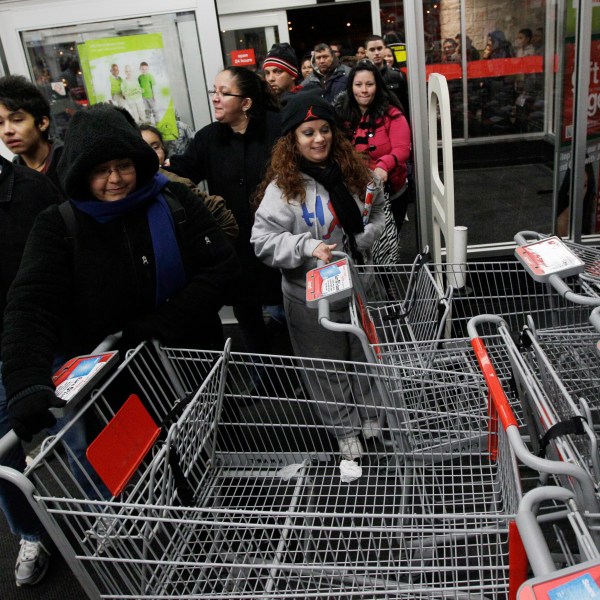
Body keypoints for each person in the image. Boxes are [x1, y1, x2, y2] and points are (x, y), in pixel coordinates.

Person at [1, 104, 240, 449]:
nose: (115, 180)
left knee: (213, 451)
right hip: (115, 387)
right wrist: (25, 380)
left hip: (193, 364)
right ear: (81, 173)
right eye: (100, 170)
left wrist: (162, 322)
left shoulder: (175, 201)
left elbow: (222, 268)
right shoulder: (59, 226)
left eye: (124, 166)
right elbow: (31, 304)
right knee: (144, 474)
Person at [251, 93, 385, 461]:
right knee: (326, 367)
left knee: (364, 356)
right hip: (309, 297)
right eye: (307, 132)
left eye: (324, 130)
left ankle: (372, 416)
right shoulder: (283, 190)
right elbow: (262, 241)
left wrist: (364, 238)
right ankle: (345, 429)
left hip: (358, 287)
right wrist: (305, 247)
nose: (318, 139)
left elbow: (377, 214)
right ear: (292, 140)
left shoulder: (356, 174)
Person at [168, 66, 282, 355]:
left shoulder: (277, 129)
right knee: (247, 313)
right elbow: (185, 173)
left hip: (278, 240)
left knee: (284, 309)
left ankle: (300, 373)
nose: (215, 98)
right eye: (213, 92)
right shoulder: (208, 138)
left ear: (246, 103)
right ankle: (264, 379)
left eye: (223, 92)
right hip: (236, 247)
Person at [0, 155, 63, 588]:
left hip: (47, 337)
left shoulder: (30, 189)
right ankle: (30, 533)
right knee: (3, 453)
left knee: (81, 434)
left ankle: (110, 516)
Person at [335, 60, 411, 257]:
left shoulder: (392, 113)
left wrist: (384, 166)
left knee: (385, 245)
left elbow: (402, 149)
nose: (364, 90)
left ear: (377, 85)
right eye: (358, 85)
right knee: (359, 246)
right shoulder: (342, 115)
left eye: (369, 84)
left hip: (390, 192)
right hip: (354, 193)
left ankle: (386, 284)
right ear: (351, 87)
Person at [140, 123, 238, 242]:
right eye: (143, 148)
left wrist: (215, 251)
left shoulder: (175, 182)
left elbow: (225, 220)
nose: (150, 154)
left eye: (155, 147)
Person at [0, 74, 64, 190]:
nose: (7, 131)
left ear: (42, 123)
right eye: (0, 123)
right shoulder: (11, 179)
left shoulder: (68, 162)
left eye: (17, 120)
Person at [364, 34, 410, 122]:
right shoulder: (360, 77)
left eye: (379, 48)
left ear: (384, 49)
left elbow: (406, 105)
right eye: (372, 50)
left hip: (396, 123)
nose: (376, 53)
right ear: (366, 52)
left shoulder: (397, 75)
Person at [556, 163, 597, 237]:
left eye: (584, 185)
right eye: (577, 185)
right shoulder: (563, 221)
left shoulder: (586, 209)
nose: (581, 191)